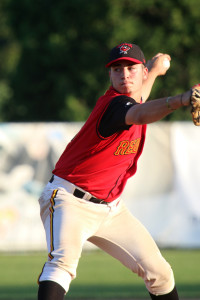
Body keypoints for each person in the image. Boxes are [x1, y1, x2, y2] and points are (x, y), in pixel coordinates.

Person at [37, 42, 192, 300]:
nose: (124, 75)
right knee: (62, 265)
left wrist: (154, 70)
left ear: (140, 72)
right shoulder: (113, 106)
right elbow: (140, 112)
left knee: (160, 273)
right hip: (69, 201)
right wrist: (180, 100)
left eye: (131, 68)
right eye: (117, 70)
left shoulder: (134, 95)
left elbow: (140, 96)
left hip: (110, 209)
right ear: (110, 76)